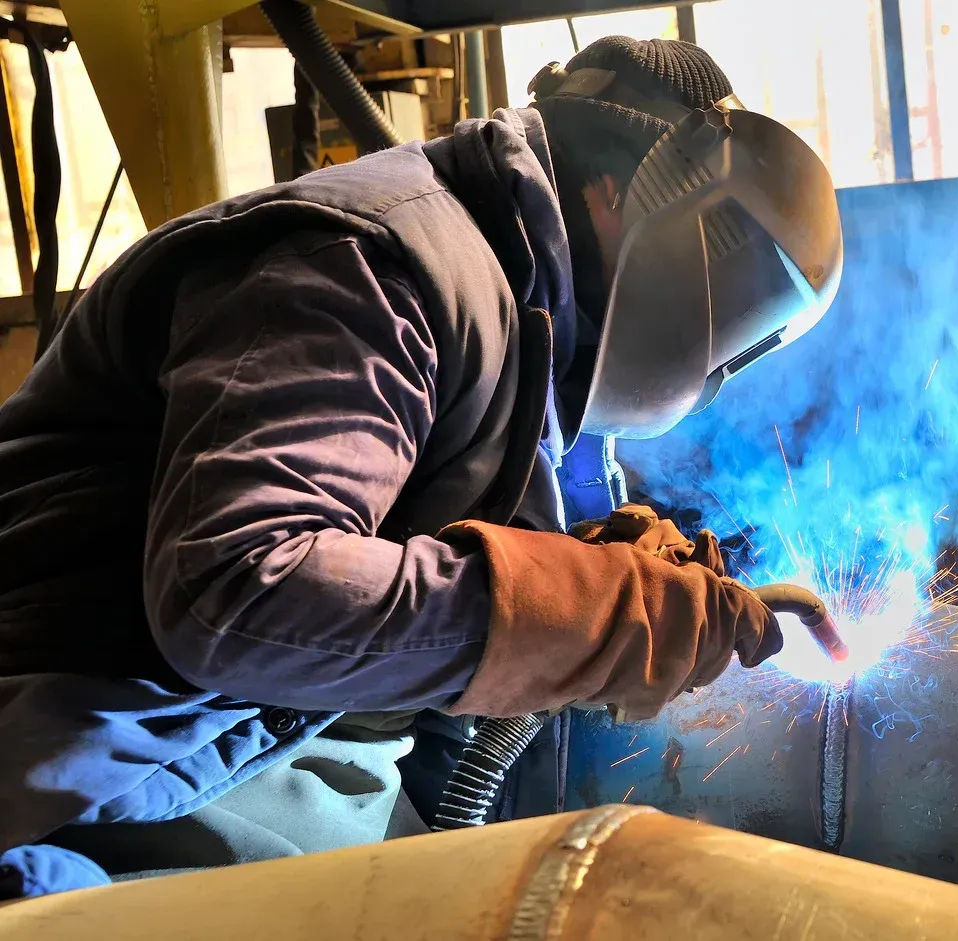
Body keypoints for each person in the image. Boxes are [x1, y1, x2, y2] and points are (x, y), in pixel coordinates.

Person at [0, 36, 843, 896]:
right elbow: (236, 588)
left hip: (241, 750)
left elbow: (397, 561)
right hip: (79, 768)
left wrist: (586, 567)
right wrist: (584, 610)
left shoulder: (526, 313)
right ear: (620, 189)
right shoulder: (371, 261)